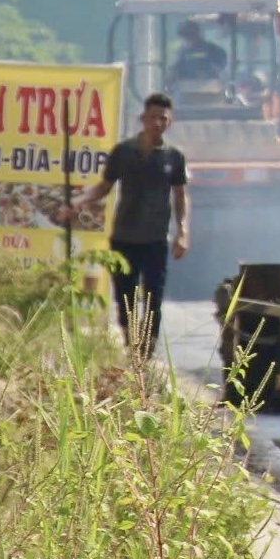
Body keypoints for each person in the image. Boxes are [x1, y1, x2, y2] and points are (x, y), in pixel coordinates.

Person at [77, 92, 190, 357]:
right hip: (124, 238)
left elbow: (180, 196)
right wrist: (79, 201)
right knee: (125, 298)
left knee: (153, 299)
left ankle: (145, 355)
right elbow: (104, 187)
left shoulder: (174, 157)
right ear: (143, 118)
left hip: (156, 239)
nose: (158, 123)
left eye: (163, 119)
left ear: (170, 121)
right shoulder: (123, 152)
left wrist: (183, 231)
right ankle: (131, 346)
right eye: (153, 117)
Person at [169, 20, 228, 85]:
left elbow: (219, 69)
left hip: (209, 87)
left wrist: (208, 74)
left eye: (191, 34)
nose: (188, 38)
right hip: (186, 87)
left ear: (197, 34)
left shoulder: (213, 50)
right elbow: (175, 69)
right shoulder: (181, 52)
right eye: (185, 35)